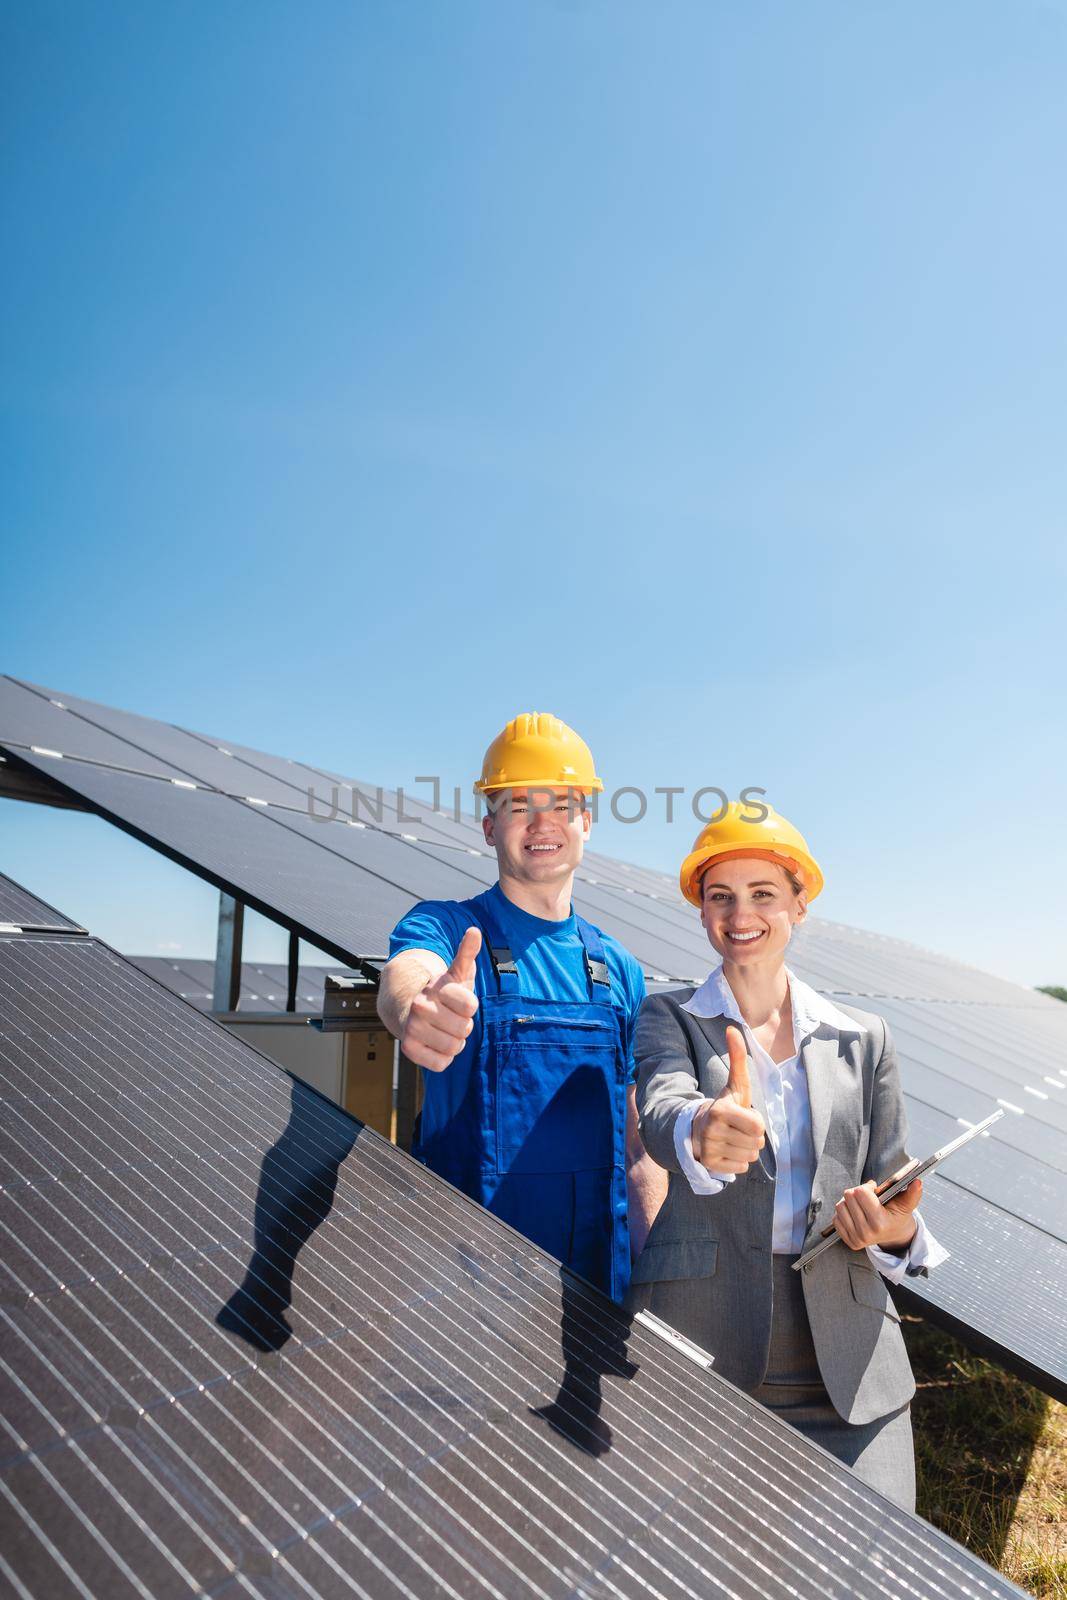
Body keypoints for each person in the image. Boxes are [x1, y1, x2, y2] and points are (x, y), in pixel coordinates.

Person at [627, 801, 947, 1509]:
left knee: (874, 1566)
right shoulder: (667, 1016)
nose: (740, 914)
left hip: (847, 1352)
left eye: (763, 894)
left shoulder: (863, 1038)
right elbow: (661, 1111)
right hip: (698, 1338)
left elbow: (893, 1190)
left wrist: (890, 1227)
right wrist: (700, 1129)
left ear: (800, 904)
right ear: (701, 911)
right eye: (720, 896)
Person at [377, 712, 667, 1302]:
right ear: (489, 826)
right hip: (459, 1288)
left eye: (561, 805)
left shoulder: (620, 969)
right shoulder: (450, 928)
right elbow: (409, 976)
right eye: (518, 806)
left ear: (586, 822)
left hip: (594, 1296)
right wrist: (419, 1009)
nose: (542, 824)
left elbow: (639, 1152)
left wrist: (659, 1286)